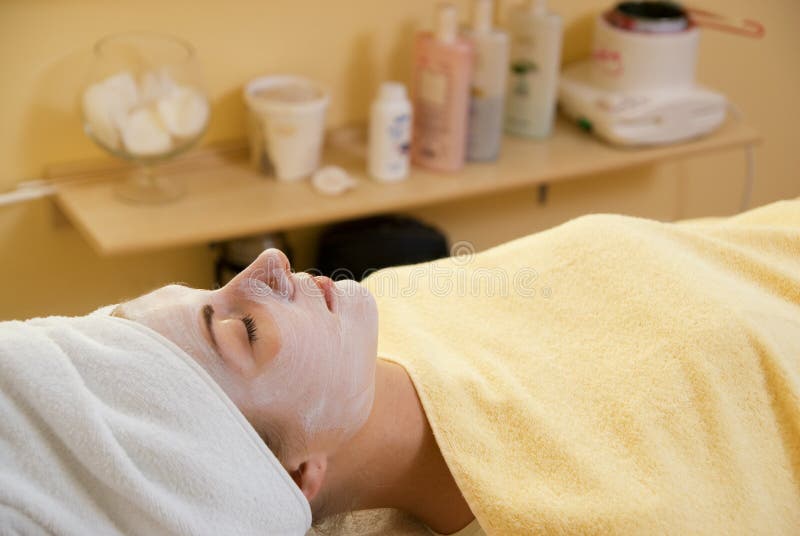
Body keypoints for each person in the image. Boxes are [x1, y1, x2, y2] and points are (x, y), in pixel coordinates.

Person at [4, 198, 800, 535]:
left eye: (215, 287)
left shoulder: (368, 313)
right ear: (297, 474)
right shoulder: (598, 507)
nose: (271, 263)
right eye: (243, 329)